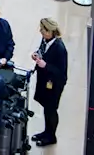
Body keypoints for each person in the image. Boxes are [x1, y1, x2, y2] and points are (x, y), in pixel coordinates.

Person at [32, 17, 68, 146]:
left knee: (51, 109)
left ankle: (51, 136)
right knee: (46, 108)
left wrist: (45, 65)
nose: (41, 32)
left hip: (54, 84)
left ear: (50, 31)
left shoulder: (59, 48)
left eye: (43, 30)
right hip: (45, 80)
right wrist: (37, 55)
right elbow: (43, 51)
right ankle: (46, 132)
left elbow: (61, 73)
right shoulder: (45, 40)